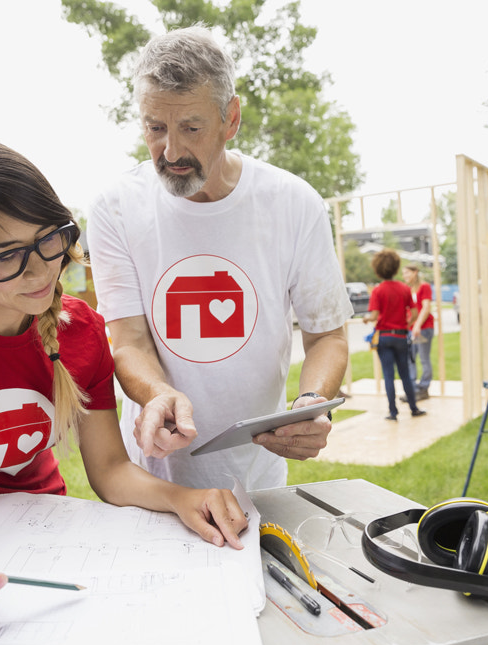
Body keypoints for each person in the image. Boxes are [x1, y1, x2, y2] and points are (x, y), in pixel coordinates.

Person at [0, 139, 248, 615]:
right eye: (6, 256)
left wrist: (182, 498)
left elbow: (110, 470)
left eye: (49, 239)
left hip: (48, 539)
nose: (41, 269)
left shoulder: (81, 328)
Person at [88, 27, 352, 491]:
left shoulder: (293, 203)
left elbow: (327, 334)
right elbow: (127, 341)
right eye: (155, 128)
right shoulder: (115, 208)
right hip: (153, 480)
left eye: (190, 128)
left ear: (230, 119)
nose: (170, 152)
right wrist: (158, 394)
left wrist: (312, 402)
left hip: (259, 479)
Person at [363, 249, 428, 421]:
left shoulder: (377, 291)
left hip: (383, 337)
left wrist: (366, 318)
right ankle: (414, 408)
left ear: (377, 269)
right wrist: (403, 325)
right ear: (396, 267)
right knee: (405, 374)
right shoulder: (405, 289)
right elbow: (414, 314)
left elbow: (374, 316)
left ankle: (393, 412)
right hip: (400, 337)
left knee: (388, 375)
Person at [402, 262, 433, 401]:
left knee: (424, 359)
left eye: (407, 272)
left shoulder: (424, 287)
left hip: (424, 328)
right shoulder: (408, 289)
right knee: (410, 360)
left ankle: (424, 388)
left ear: (415, 272)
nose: (405, 276)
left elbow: (426, 308)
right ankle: (413, 390)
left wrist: (417, 325)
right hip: (411, 330)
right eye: (403, 273)